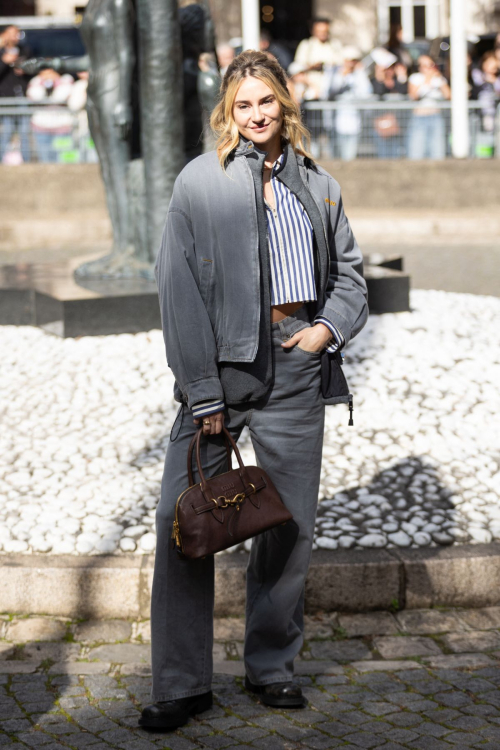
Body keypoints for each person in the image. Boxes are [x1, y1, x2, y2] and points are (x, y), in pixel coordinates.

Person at [140, 50, 368, 731]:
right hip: (220, 371)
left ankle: (272, 666)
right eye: (244, 104)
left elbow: (351, 275)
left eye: (266, 101)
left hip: (296, 363)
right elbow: (177, 291)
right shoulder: (200, 183)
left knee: (288, 525)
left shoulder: (319, 185)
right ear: (227, 110)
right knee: (179, 520)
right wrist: (203, 390)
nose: (257, 114)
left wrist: (324, 330)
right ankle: (181, 683)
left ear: (285, 103)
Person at [322, 46, 373, 160]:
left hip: (354, 121)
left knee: (350, 155)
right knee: (336, 154)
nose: (351, 64)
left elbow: (366, 93)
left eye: (354, 61)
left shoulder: (359, 75)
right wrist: (342, 75)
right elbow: (327, 92)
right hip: (336, 121)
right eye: (349, 60)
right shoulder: (334, 73)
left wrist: (360, 73)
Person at [26, 68, 75, 162]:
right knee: (45, 158)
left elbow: (61, 97)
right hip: (41, 126)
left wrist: (56, 82)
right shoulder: (36, 81)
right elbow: (36, 97)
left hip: (62, 126)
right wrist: (43, 83)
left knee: (63, 157)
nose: (48, 74)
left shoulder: (66, 80)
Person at [407, 54, 450, 159]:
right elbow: (413, 95)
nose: (428, 68)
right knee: (416, 150)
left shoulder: (439, 79)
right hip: (419, 117)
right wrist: (427, 80)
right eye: (424, 65)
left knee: (437, 150)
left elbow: (448, 95)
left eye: (430, 65)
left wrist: (439, 79)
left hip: (435, 116)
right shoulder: (415, 78)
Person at [0, 25, 31, 162]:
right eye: (11, 33)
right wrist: (4, 62)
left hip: (22, 97)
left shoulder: (25, 50)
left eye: (17, 33)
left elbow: (32, 71)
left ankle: (27, 161)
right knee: (6, 132)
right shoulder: (1, 52)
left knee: (25, 133)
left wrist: (24, 68)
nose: (15, 36)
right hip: (5, 98)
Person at [370, 50, 408, 159]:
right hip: (381, 123)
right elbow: (379, 91)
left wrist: (402, 77)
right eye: (387, 68)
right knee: (383, 154)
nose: (389, 71)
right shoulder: (375, 81)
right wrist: (380, 75)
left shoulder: (397, 81)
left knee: (397, 155)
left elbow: (404, 92)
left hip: (397, 123)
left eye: (391, 67)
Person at [293, 17, 343, 100]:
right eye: (320, 31)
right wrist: (312, 67)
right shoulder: (306, 45)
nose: (323, 34)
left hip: (332, 91)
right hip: (309, 90)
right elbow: (297, 69)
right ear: (313, 31)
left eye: (325, 31)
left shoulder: (335, 45)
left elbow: (341, 65)